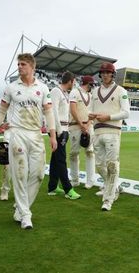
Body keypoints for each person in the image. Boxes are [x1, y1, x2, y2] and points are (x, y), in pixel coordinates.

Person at [0, 53, 57, 230]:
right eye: (18, 64)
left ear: (32, 67)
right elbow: (1, 111)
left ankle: (20, 207)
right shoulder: (11, 88)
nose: (19, 67)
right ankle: (25, 215)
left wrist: (53, 135)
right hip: (17, 134)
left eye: (23, 64)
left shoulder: (43, 88)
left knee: (39, 174)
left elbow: (48, 113)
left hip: (36, 135)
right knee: (19, 174)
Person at [89, 62, 130, 211]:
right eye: (103, 73)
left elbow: (126, 113)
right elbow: (90, 110)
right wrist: (89, 116)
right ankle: (115, 187)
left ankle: (108, 199)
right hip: (97, 132)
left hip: (113, 131)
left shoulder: (121, 91)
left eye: (108, 72)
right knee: (100, 166)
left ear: (113, 74)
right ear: (100, 74)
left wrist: (109, 117)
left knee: (112, 166)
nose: (105, 75)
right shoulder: (94, 92)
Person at [48, 71, 80, 199]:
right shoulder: (56, 91)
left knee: (55, 160)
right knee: (61, 159)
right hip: (58, 129)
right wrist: (59, 130)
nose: (75, 84)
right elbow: (53, 111)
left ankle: (52, 187)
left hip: (64, 129)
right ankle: (68, 190)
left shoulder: (65, 93)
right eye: (74, 82)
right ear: (71, 81)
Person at [69, 75, 95, 189]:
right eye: (91, 85)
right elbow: (73, 109)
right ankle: (75, 180)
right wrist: (81, 124)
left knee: (90, 152)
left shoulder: (91, 95)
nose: (92, 87)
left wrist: (88, 124)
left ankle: (90, 180)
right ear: (88, 84)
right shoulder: (74, 92)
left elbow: (93, 111)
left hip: (88, 125)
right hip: (75, 126)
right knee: (74, 153)